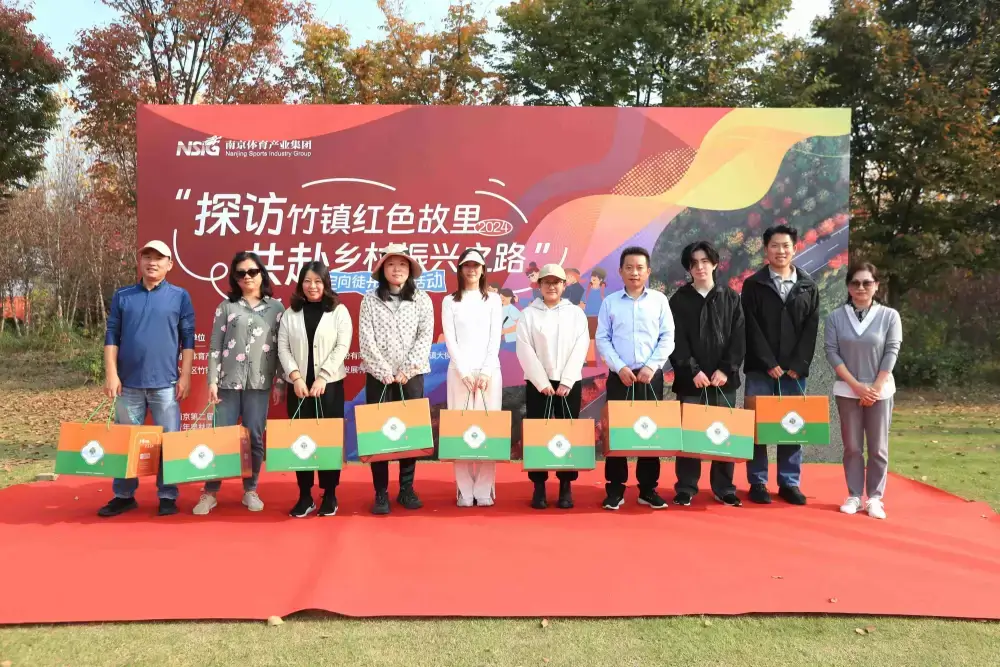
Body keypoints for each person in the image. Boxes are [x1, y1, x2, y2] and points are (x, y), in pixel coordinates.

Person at [98, 240, 195, 517]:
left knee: (169, 443)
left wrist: (185, 375)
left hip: (166, 384)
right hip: (128, 384)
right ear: (139, 262)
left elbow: (188, 338)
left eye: (159, 258)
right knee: (127, 442)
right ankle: (124, 495)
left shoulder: (179, 296)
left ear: (169, 264)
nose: (152, 262)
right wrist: (111, 373)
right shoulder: (124, 295)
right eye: (147, 257)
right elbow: (112, 335)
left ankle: (167, 496)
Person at [195, 251, 285, 515]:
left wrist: (280, 383)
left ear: (262, 274)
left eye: (252, 272)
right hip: (227, 384)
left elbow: (282, 348)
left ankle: (250, 490)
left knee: (254, 437)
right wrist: (212, 381)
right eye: (241, 273)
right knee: (220, 437)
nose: (247, 277)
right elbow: (215, 346)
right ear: (235, 278)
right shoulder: (226, 307)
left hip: (259, 384)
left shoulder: (276, 309)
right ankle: (210, 492)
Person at [741, 224, 819, 505]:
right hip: (761, 368)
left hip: (794, 371)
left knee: (792, 425)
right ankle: (758, 481)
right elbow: (750, 326)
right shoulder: (753, 284)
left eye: (786, 245)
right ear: (766, 249)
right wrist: (768, 362)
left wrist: (799, 363)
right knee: (758, 427)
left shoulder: (808, 285)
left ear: (795, 248)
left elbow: (811, 328)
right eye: (774, 245)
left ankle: (789, 482)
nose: (780, 251)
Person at [595, 247, 675, 510]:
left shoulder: (659, 301)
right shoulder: (610, 302)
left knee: (649, 432)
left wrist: (652, 366)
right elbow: (602, 338)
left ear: (648, 271)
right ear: (620, 271)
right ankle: (615, 490)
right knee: (617, 434)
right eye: (629, 267)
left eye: (640, 267)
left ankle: (648, 490)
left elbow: (668, 337)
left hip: (650, 377)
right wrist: (619, 367)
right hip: (621, 377)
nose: (634, 272)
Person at [358, 243, 434, 515]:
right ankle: (380, 492)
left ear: (410, 270)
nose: (397, 269)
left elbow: (425, 336)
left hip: (410, 377)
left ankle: (406, 488)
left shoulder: (422, 299)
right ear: (382, 269)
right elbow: (366, 339)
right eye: (391, 264)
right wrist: (383, 371)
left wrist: (407, 370)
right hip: (379, 378)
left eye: (402, 264)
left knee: (409, 432)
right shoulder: (369, 300)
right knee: (378, 434)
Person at [669, 241, 746, 507]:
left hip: (723, 380)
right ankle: (686, 486)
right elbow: (675, 339)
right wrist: (692, 370)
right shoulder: (679, 299)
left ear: (715, 264)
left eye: (704, 261)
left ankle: (724, 487)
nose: (699, 267)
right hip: (691, 381)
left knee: (723, 432)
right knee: (689, 434)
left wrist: (726, 369)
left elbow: (739, 337)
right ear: (688, 268)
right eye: (694, 263)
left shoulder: (730, 297)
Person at [825, 262, 901, 520]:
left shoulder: (889, 316)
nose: (861, 287)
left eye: (867, 282)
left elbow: (891, 350)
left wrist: (875, 388)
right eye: (855, 283)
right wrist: (857, 387)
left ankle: (875, 498)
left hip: (881, 391)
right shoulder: (836, 317)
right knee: (852, 446)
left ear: (876, 285)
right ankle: (854, 495)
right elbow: (832, 353)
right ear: (848, 287)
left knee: (878, 447)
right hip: (848, 390)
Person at [277, 261, 353, 518]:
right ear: (301, 284)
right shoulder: (290, 313)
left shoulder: (339, 311)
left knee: (328, 441)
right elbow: (283, 348)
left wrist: (323, 377)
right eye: (307, 281)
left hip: (329, 388)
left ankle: (330, 494)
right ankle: (305, 495)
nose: (312, 286)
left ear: (326, 284)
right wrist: (296, 377)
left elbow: (342, 346)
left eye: (318, 281)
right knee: (302, 441)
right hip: (298, 389)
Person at [516, 264, 591, 510]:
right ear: (539, 285)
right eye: (546, 282)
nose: (551, 286)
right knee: (538, 435)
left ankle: (565, 486)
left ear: (564, 285)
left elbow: (581, 346)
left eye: (556, 282)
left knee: (567, 434)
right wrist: (541, 382)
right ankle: (538, 486)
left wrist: (567, 380)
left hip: (569, 383)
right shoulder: (528, 314)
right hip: (539, 384)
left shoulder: (575, 313)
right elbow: (524, 349)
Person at [441, 249, 503, 507]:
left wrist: (486, 371)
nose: (472, 270)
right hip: (460, 374)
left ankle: (485, 489)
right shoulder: (450, 301)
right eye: (467, 265)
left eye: (476, 265)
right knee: (461, 431)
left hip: (489, 373)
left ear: (483, 269)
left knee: (488, 430)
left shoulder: (493, 300)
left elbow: (495, 337)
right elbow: (450, 339)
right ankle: (464, 490)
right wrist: (464, 371)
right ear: (460, 269)